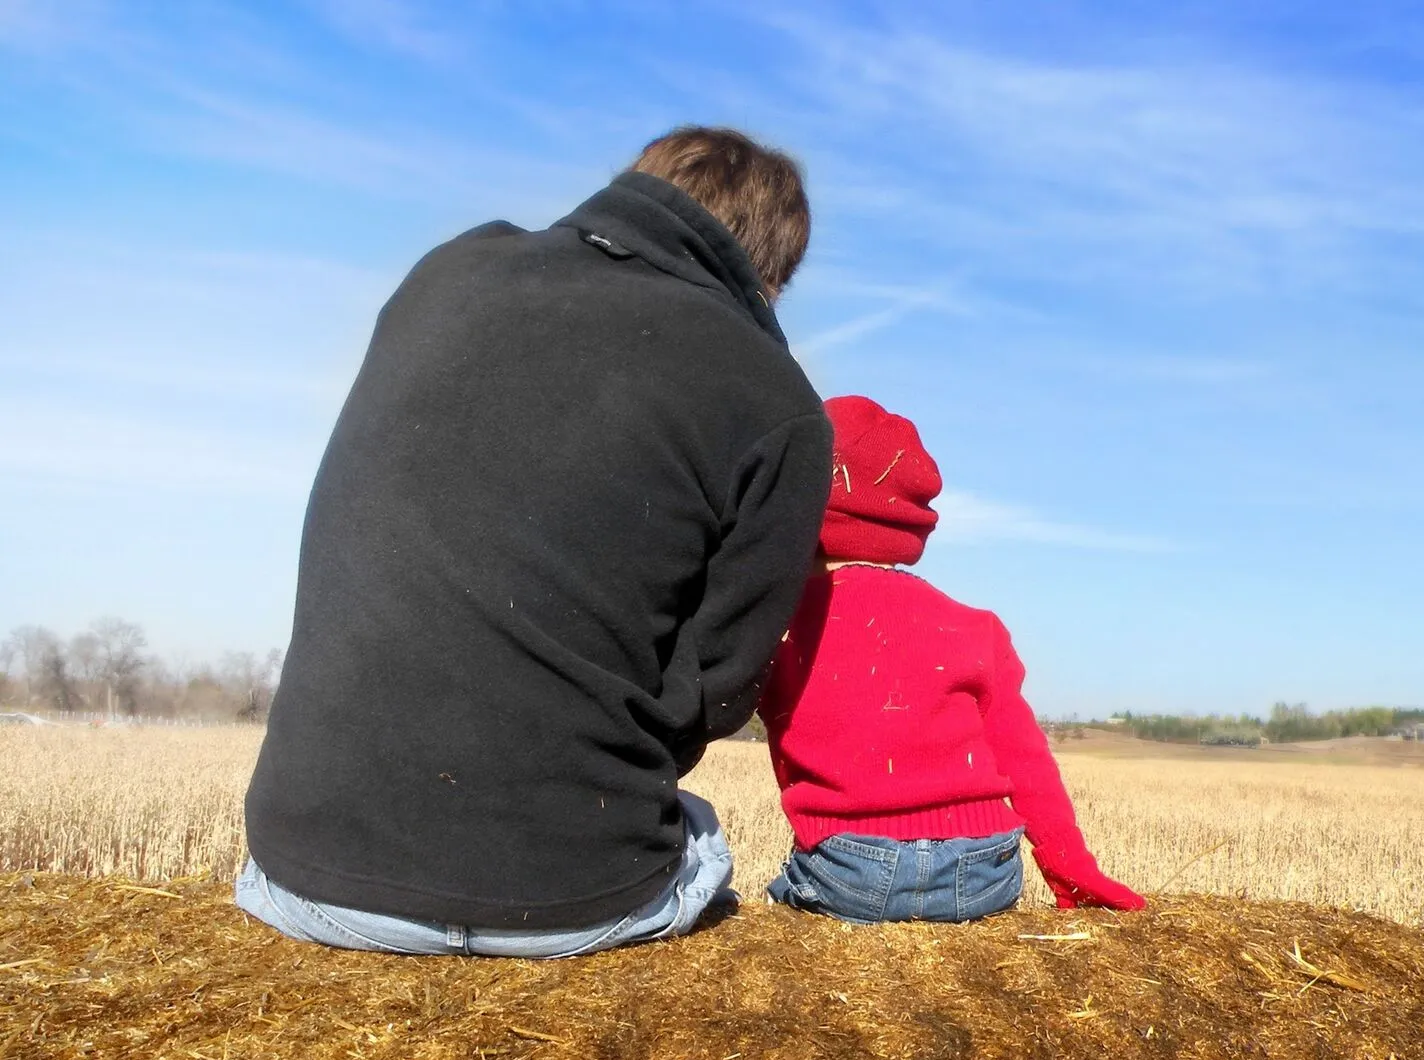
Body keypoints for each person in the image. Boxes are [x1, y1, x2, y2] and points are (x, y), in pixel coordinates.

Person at [236, 126, 833, 958]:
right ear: (769, 278)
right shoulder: (781, 404)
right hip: (567, 899)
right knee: (700, 835)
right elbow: (717, 690)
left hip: (298, 875)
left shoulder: (448, 271)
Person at [757, 396, 1146, 923]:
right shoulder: (975, 627)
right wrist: (1071, 867)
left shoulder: (782, 626)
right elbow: (1025, 759)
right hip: (989, 867)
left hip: (853, 868)